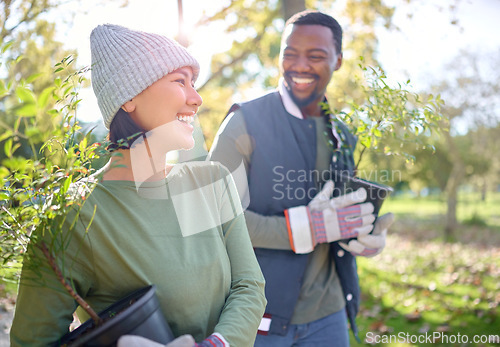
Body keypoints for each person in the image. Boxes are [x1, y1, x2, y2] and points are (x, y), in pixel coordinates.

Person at [10, 24, 266, 347]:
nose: (197, 98)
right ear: (128, 97)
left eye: (194, 83)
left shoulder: (212, 182)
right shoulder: (70, 220)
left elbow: (250, 285)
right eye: (179, 81)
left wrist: (217, 344)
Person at [208, 10, 394, 346]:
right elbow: (212, 218)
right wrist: (307, 228)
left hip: (329, 315)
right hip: (258, 313)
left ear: (338, 61)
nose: (300, 65)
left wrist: (363, 234)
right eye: (290, 53)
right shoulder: (244, 122)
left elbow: (338, 214)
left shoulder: (343, 135)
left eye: (316, 55)